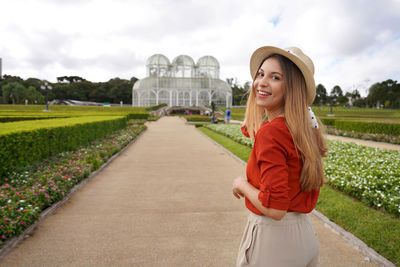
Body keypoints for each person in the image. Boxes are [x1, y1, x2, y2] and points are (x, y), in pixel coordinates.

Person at [232, 46, 328, 267]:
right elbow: (251, 129)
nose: (261, 82)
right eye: (261, 74)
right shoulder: (304, 129)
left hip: (273, 241)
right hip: (303, 235)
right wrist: (259, 111)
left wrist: (241, 185)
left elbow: (275, 208)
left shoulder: (272, 133)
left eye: (275, 77)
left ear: (292, 89)